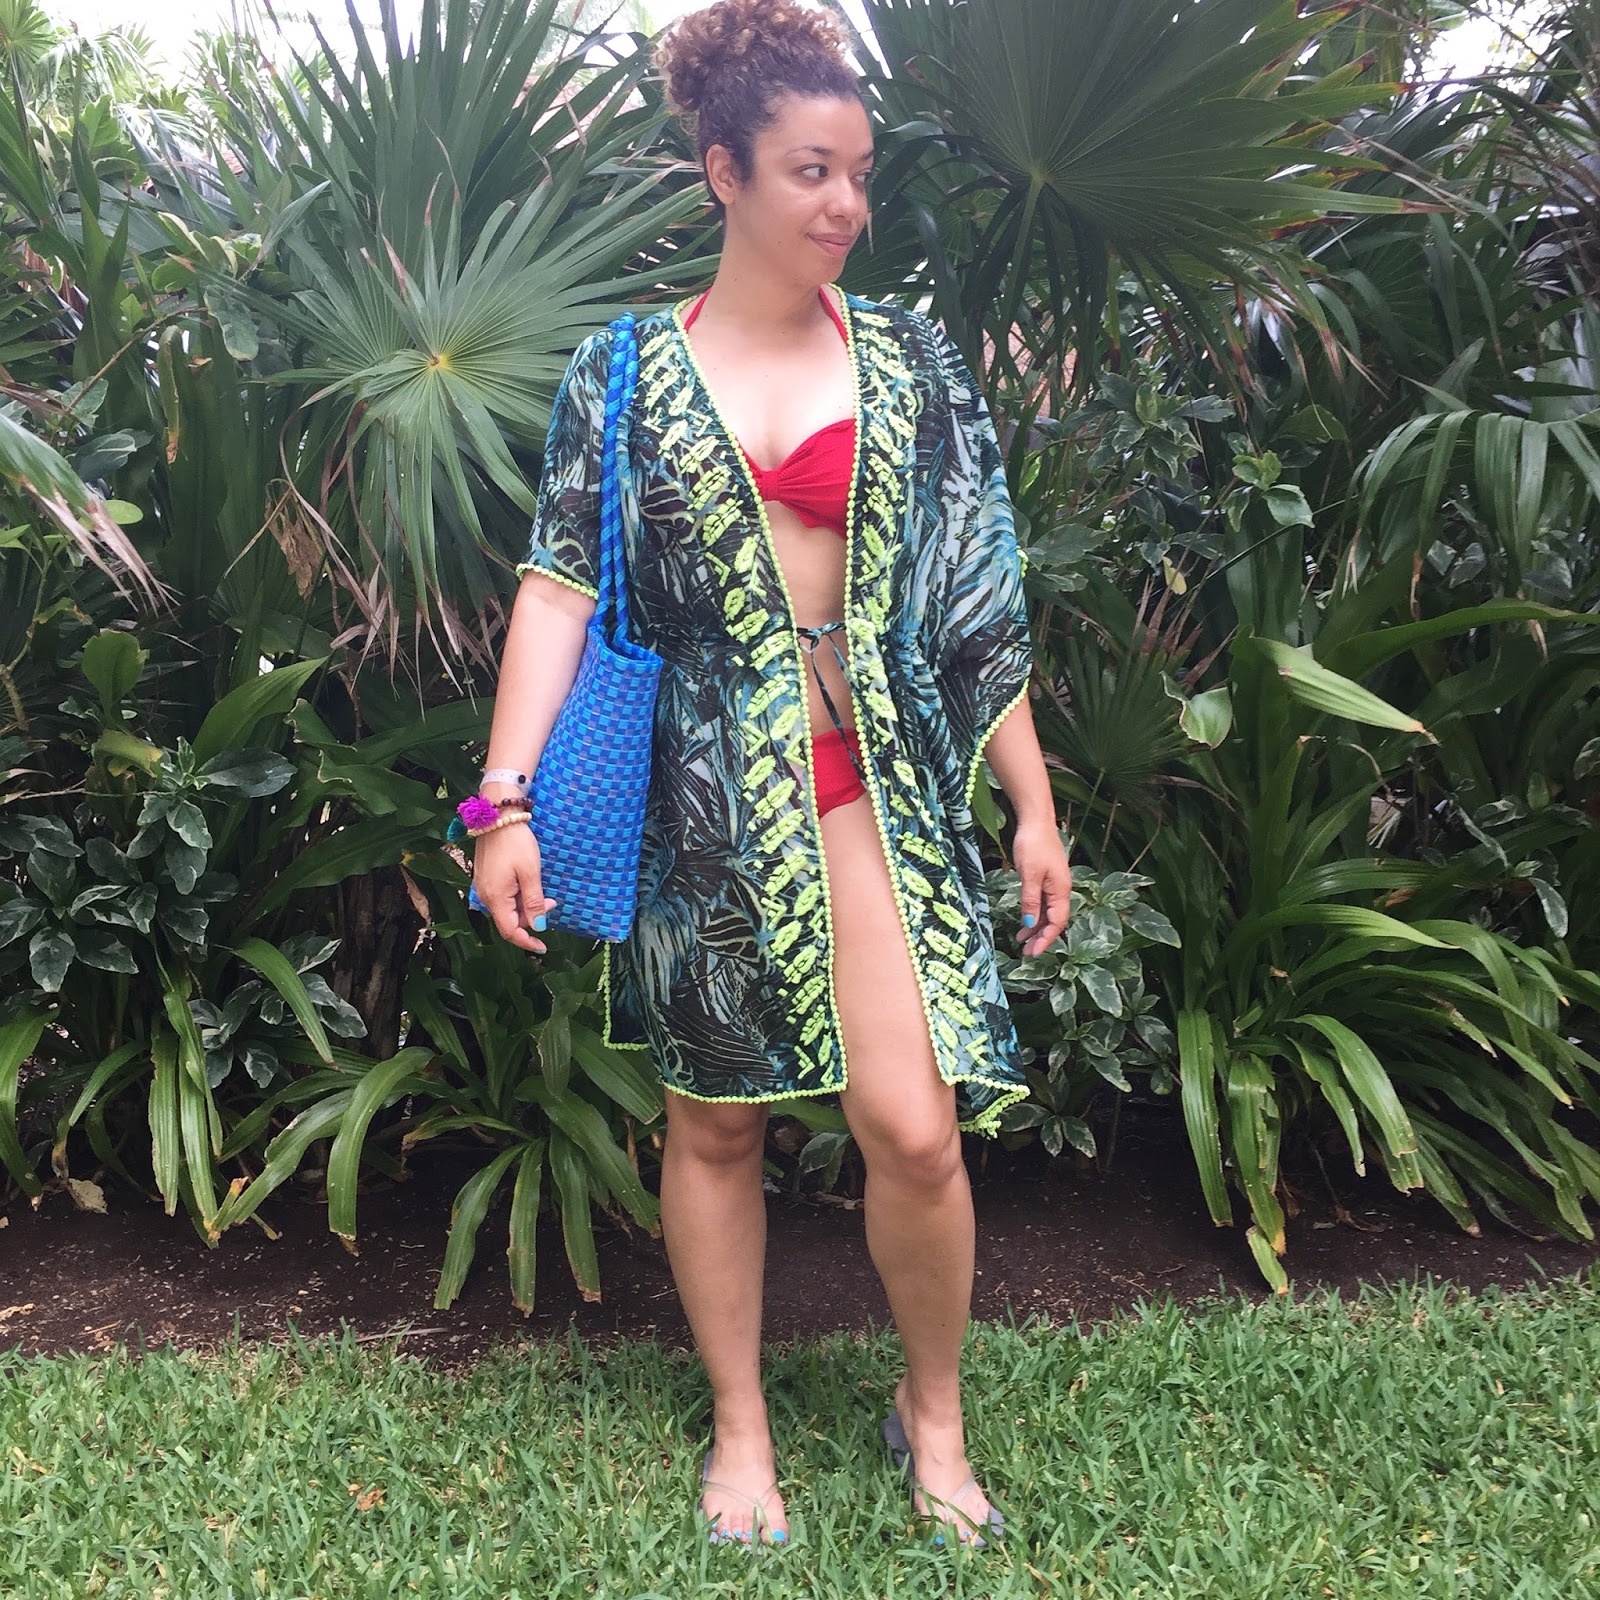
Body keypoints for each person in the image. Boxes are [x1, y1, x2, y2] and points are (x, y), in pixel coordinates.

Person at [469, 0, 1071, 1551]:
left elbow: (972, 596)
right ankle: (742, 1428)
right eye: (812, 171)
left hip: (874, 789)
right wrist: (502, 800)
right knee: (717, 1124)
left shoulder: (909, 359)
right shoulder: (622, 373)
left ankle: (932, 1416)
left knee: (914, 1125)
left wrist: (1032, 800)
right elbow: (557, 588)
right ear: (725, 171)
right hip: (704, 804)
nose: (845, 204)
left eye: (859, 173)